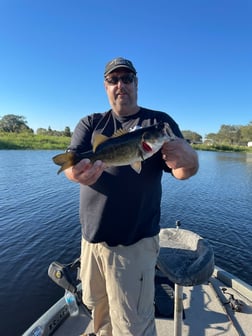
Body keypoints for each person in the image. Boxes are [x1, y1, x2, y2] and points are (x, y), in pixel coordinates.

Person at [64, 57, 199, 336]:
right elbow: (71, 166)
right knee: (98, 312)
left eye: (127, 78)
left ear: (136, 83)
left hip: (134, 245)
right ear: (106, 86)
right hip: (91, 242)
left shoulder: (158, 123)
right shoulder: (91, 123)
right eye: (114, 80)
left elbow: (183, 172)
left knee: (133, 326)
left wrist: (190, 159)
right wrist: (75, 173)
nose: (120, 85)